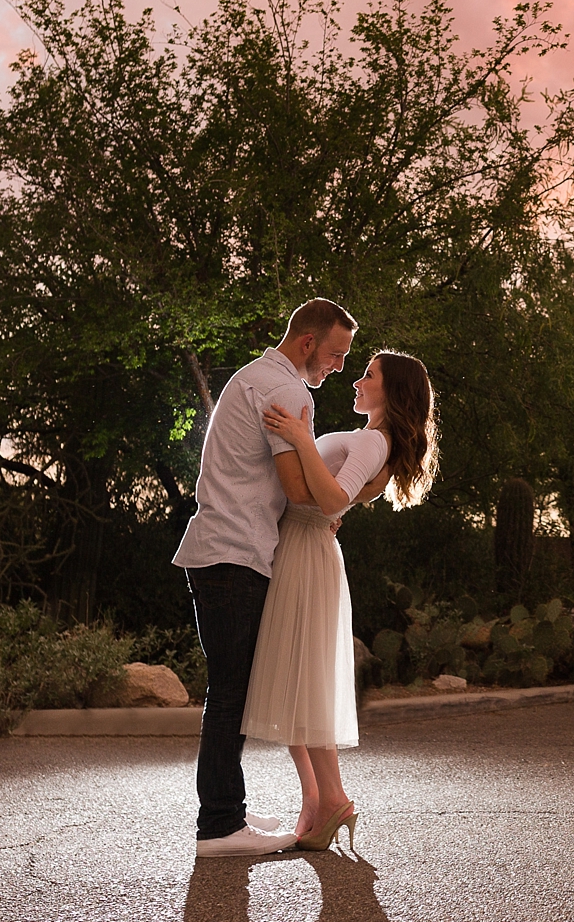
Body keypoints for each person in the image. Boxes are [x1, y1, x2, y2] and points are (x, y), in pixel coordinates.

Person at [171, 298, 358, 858]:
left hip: (219, 550)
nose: (340, 366)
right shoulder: (287, 392)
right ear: (307, 344)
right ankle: (221, 825)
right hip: (235, 554)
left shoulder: (251, 376)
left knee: (232, 689)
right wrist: (337, 498)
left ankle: (227, 811)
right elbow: (300, 491)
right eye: (335, 353)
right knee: (230, 693)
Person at [249, 349, 437, 852]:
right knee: (296, 681)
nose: (357, 380)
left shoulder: (374, 442)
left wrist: (300, 439)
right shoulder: (372, 441)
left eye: (368, 375)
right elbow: (337, 500)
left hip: (307, 554)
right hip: (304, 546)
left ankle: (329, 799)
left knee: (301, 681)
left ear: (391, 391)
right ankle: (317, 801)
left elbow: (335, 497)